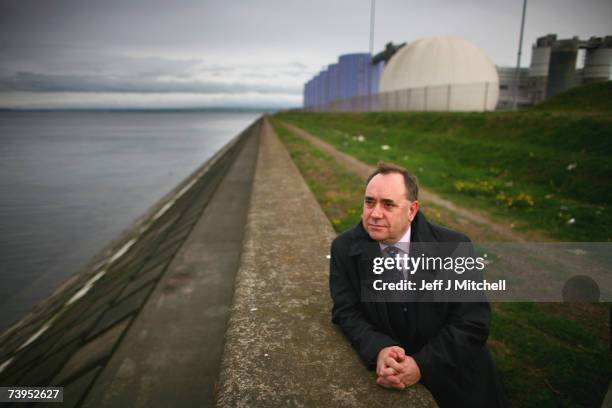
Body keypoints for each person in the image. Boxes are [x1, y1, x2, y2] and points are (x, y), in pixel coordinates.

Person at [329, 161, 507, 408]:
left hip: (458, 378)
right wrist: (379, 349)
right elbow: (346, 311)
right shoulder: (344, 248)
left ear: (412, 210)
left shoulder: (454, 247)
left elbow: (472, 322)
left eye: (388, 204)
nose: (375, 214)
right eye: (369, 202)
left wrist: (422, 365)